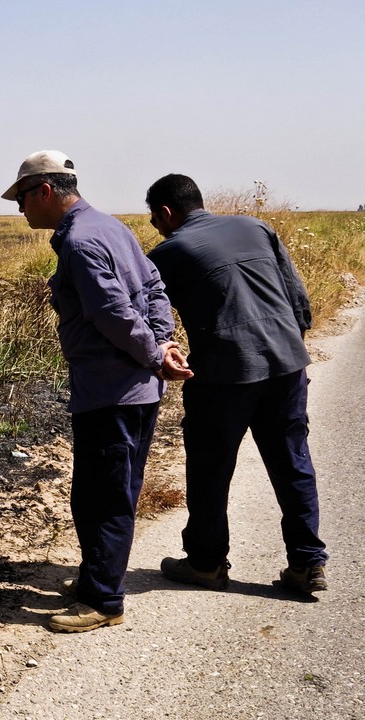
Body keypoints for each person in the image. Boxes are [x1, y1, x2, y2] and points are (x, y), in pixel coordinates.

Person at [2, 150, 189, 632]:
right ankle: (95, 577)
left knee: (103, 496)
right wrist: (164, 344)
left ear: (44, 191)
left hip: (111, 391)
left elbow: (112, 314)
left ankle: (104, 600)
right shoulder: (111, 227)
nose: (19, 208)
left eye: (21, 197)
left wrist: (154, 353)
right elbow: (153, 289)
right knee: (106, 490)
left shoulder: (81, 242)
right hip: (134, 389)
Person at [145, 173, 329, 594]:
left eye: (155, 220)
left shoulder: (169, 252)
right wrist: (289, 350)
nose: (156, 228)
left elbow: (149, 312)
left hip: (223, 375)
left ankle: (207, 564)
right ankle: (307, 563)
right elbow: (298, 299)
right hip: (286, 365)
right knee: (292, 461)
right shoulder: (255, 226)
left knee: (210, 468)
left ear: (167, 213)